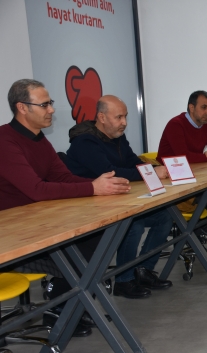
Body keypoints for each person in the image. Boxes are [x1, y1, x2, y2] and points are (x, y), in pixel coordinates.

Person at [0, 79, 130, 336]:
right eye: (44, 104)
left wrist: (98, 185)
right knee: (85, 245)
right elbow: (36, 189)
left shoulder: (39, 140)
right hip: (13, 234)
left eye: (51, 103)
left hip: (38, 219)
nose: (51, 109)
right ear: (22, 108)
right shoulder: (5, 141)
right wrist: (93, 188)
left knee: (99, 234)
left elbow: (63, 178)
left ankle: (66, 304)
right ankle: (61, 305)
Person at [66, 95, 174, 299]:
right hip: (87, 206)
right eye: (119, 117)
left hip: (114, 198)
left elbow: (132, 161)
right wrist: (147, 173)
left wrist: (152, 168)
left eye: (125, 117)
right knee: (133, 224)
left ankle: (144, 270)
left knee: (164, 217)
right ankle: (123, 281)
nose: (124, 122)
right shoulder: (85, 142)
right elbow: (111, 171)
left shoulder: (117, 138)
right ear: (102, 117)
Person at [157, 90, 207, 237]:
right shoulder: (176, 124)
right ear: (191, 107)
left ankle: (199, 224)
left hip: (193, 171)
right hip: (171, 176)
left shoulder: (205, 126)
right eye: (204, 107)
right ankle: (194, 226)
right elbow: (184, 157)